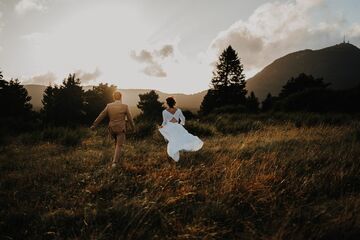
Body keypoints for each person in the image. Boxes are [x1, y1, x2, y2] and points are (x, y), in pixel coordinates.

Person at [90, 91, 135, 168]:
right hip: (121, 128)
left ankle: (116, 157)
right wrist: (133, 127)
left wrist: (94, 125)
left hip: (112, 128)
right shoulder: (125, 106)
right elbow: (130, 118)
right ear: (121, 97)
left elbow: (101, 115)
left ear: (114, 97)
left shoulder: (109, 106)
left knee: (116, 144)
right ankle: (115, 162)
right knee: (119, 145)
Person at [158, 96, 203, 161]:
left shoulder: (164, 112)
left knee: (172, 141)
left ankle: (173, 155)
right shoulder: (178, 110)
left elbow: (164, 122)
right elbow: (183, 119)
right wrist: (181, 124)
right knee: (181, 139)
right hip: (177, 126)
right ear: (174, 103)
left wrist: (161, 127)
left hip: (170, 128)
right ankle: (178, 153)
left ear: (167, 103)